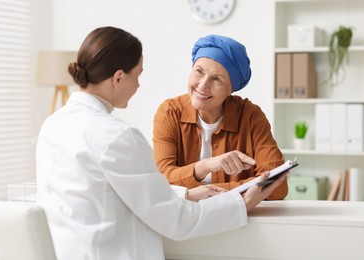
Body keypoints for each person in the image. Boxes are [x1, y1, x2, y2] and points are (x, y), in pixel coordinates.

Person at [36, 27, 288, 260]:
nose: (138, 85)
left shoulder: (52, 126)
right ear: (118, 78)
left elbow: (121, 192)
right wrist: (241, 203)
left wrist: (186, 192)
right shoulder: (117, 136)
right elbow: (176, 220)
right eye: (138, 75)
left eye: (218, 79)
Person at [153, 35, 288, 200]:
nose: (202, 86)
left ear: (231, 89)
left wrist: (201, 194)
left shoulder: (251, 117)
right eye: (199, 71)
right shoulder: (170, 112)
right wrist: (206, 165)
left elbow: (277, 185)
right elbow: (160, 181)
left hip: (238, 217)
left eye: (217, 79)